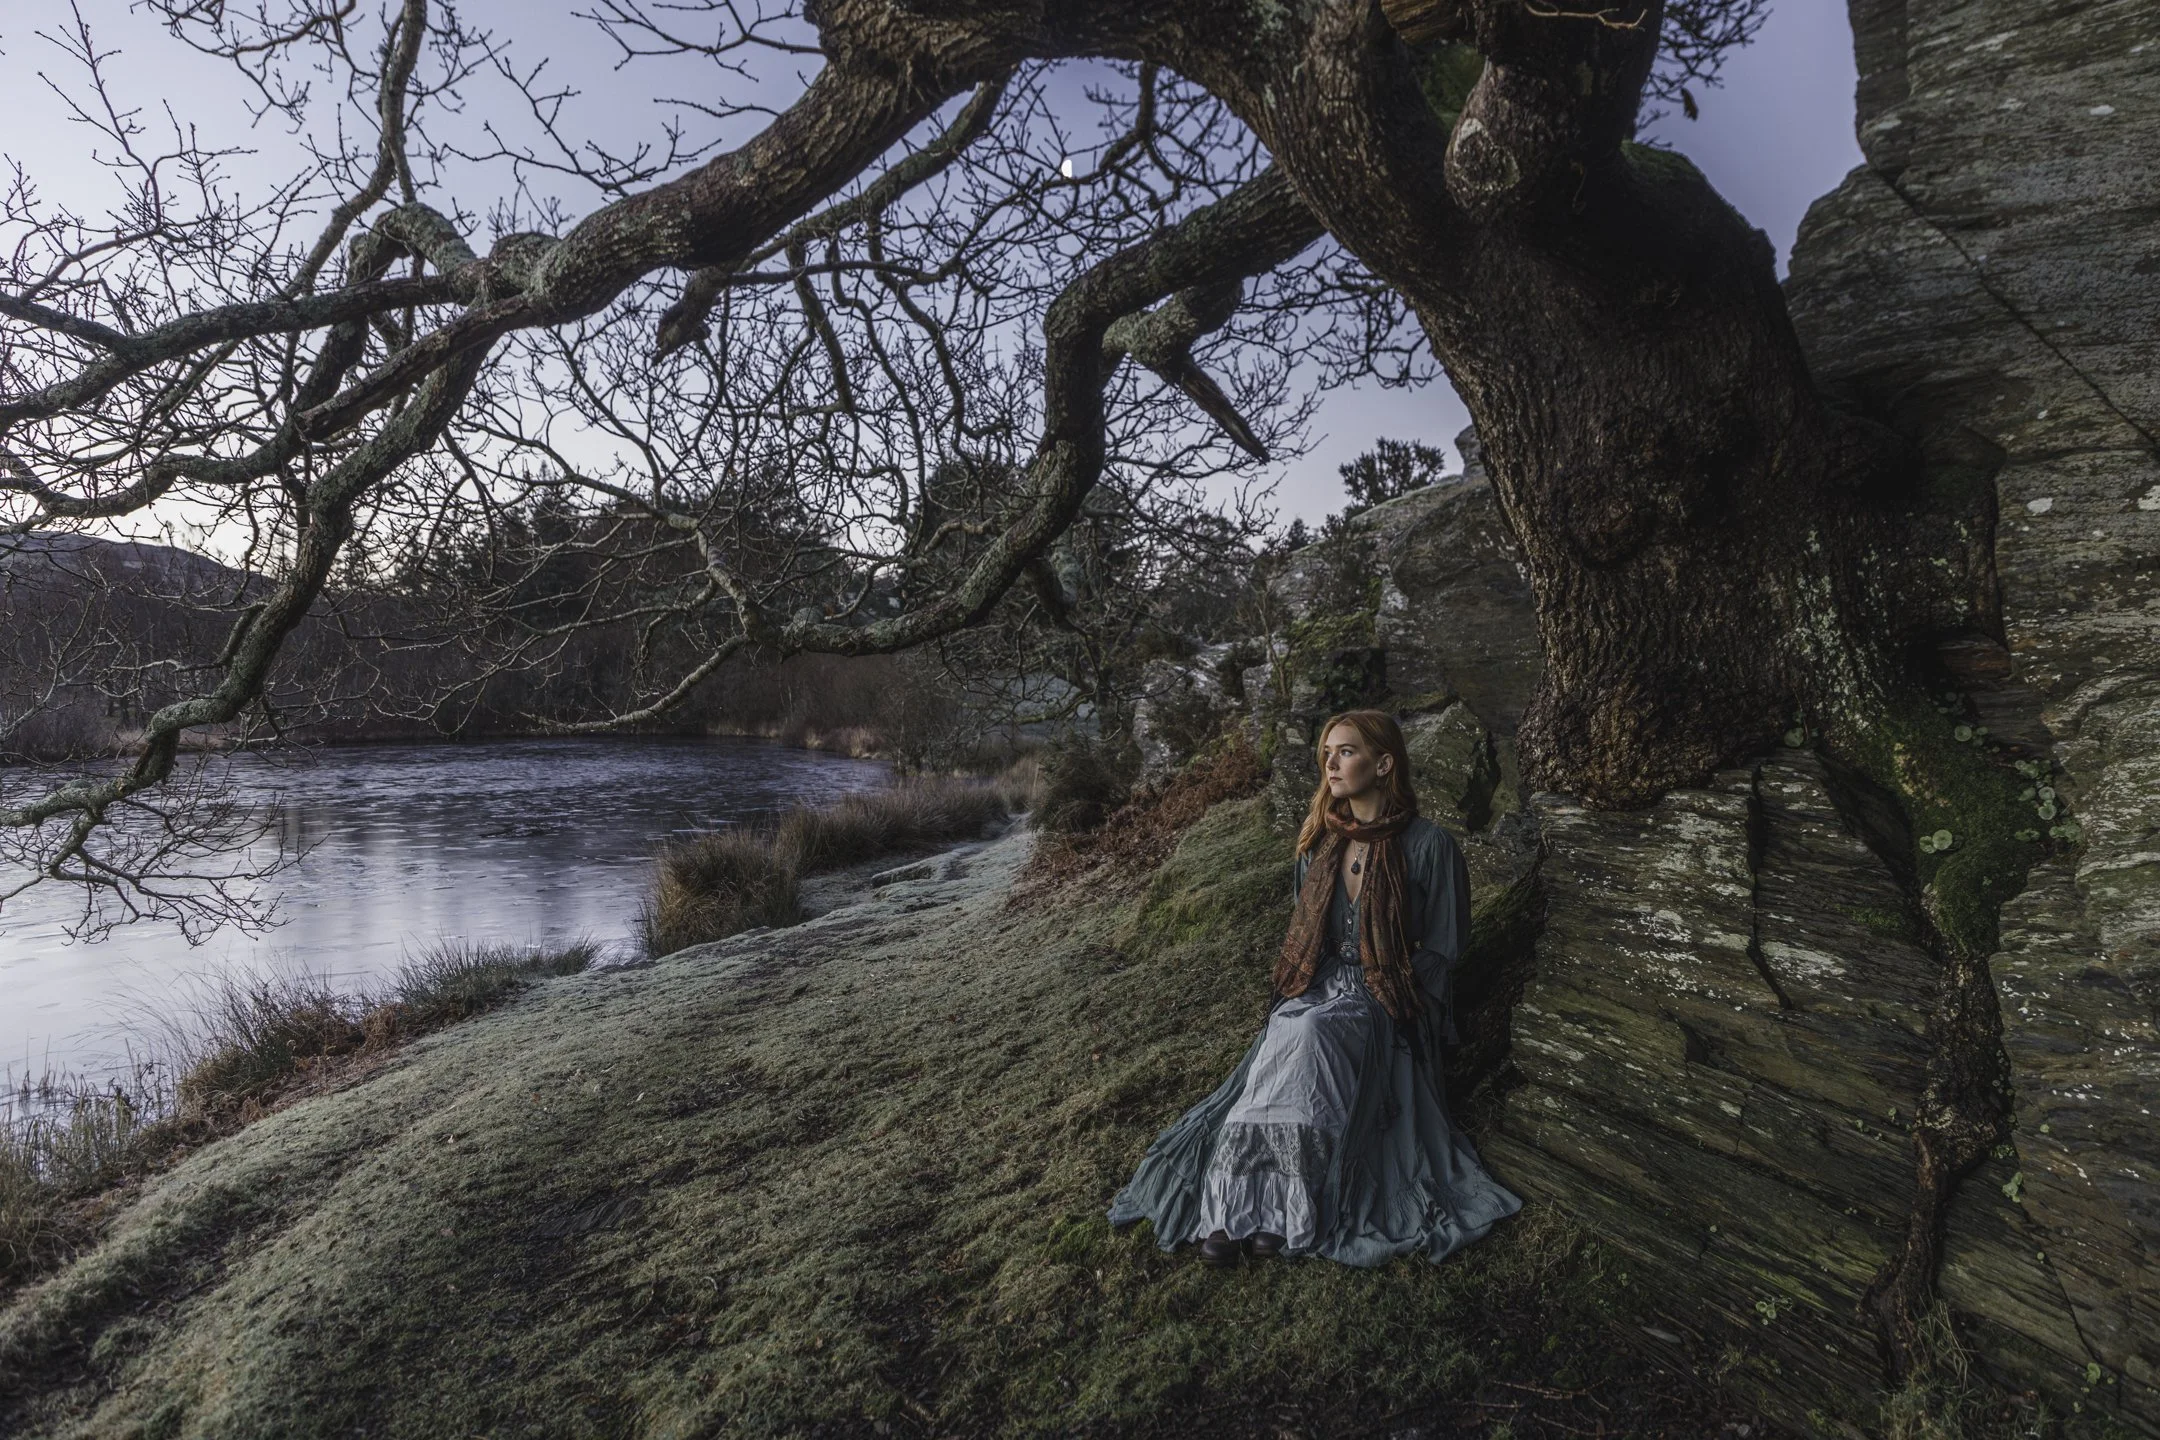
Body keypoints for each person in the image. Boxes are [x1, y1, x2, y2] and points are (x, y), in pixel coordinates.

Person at [1107, 708, 1523, 1267]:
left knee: (1310, 1033)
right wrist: (1309, 992)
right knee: (1288, 1028)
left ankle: (1285, 1209)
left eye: (1346, 751)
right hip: (1325, 987)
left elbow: (1445, 948)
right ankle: (1237, 1210)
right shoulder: (1320, 846)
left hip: (1391, 993)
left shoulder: (1429, 846)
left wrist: (1392, 1001)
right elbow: (1313, 942)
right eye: (1327, 753)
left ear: (1384, 764)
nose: (1331, 763)